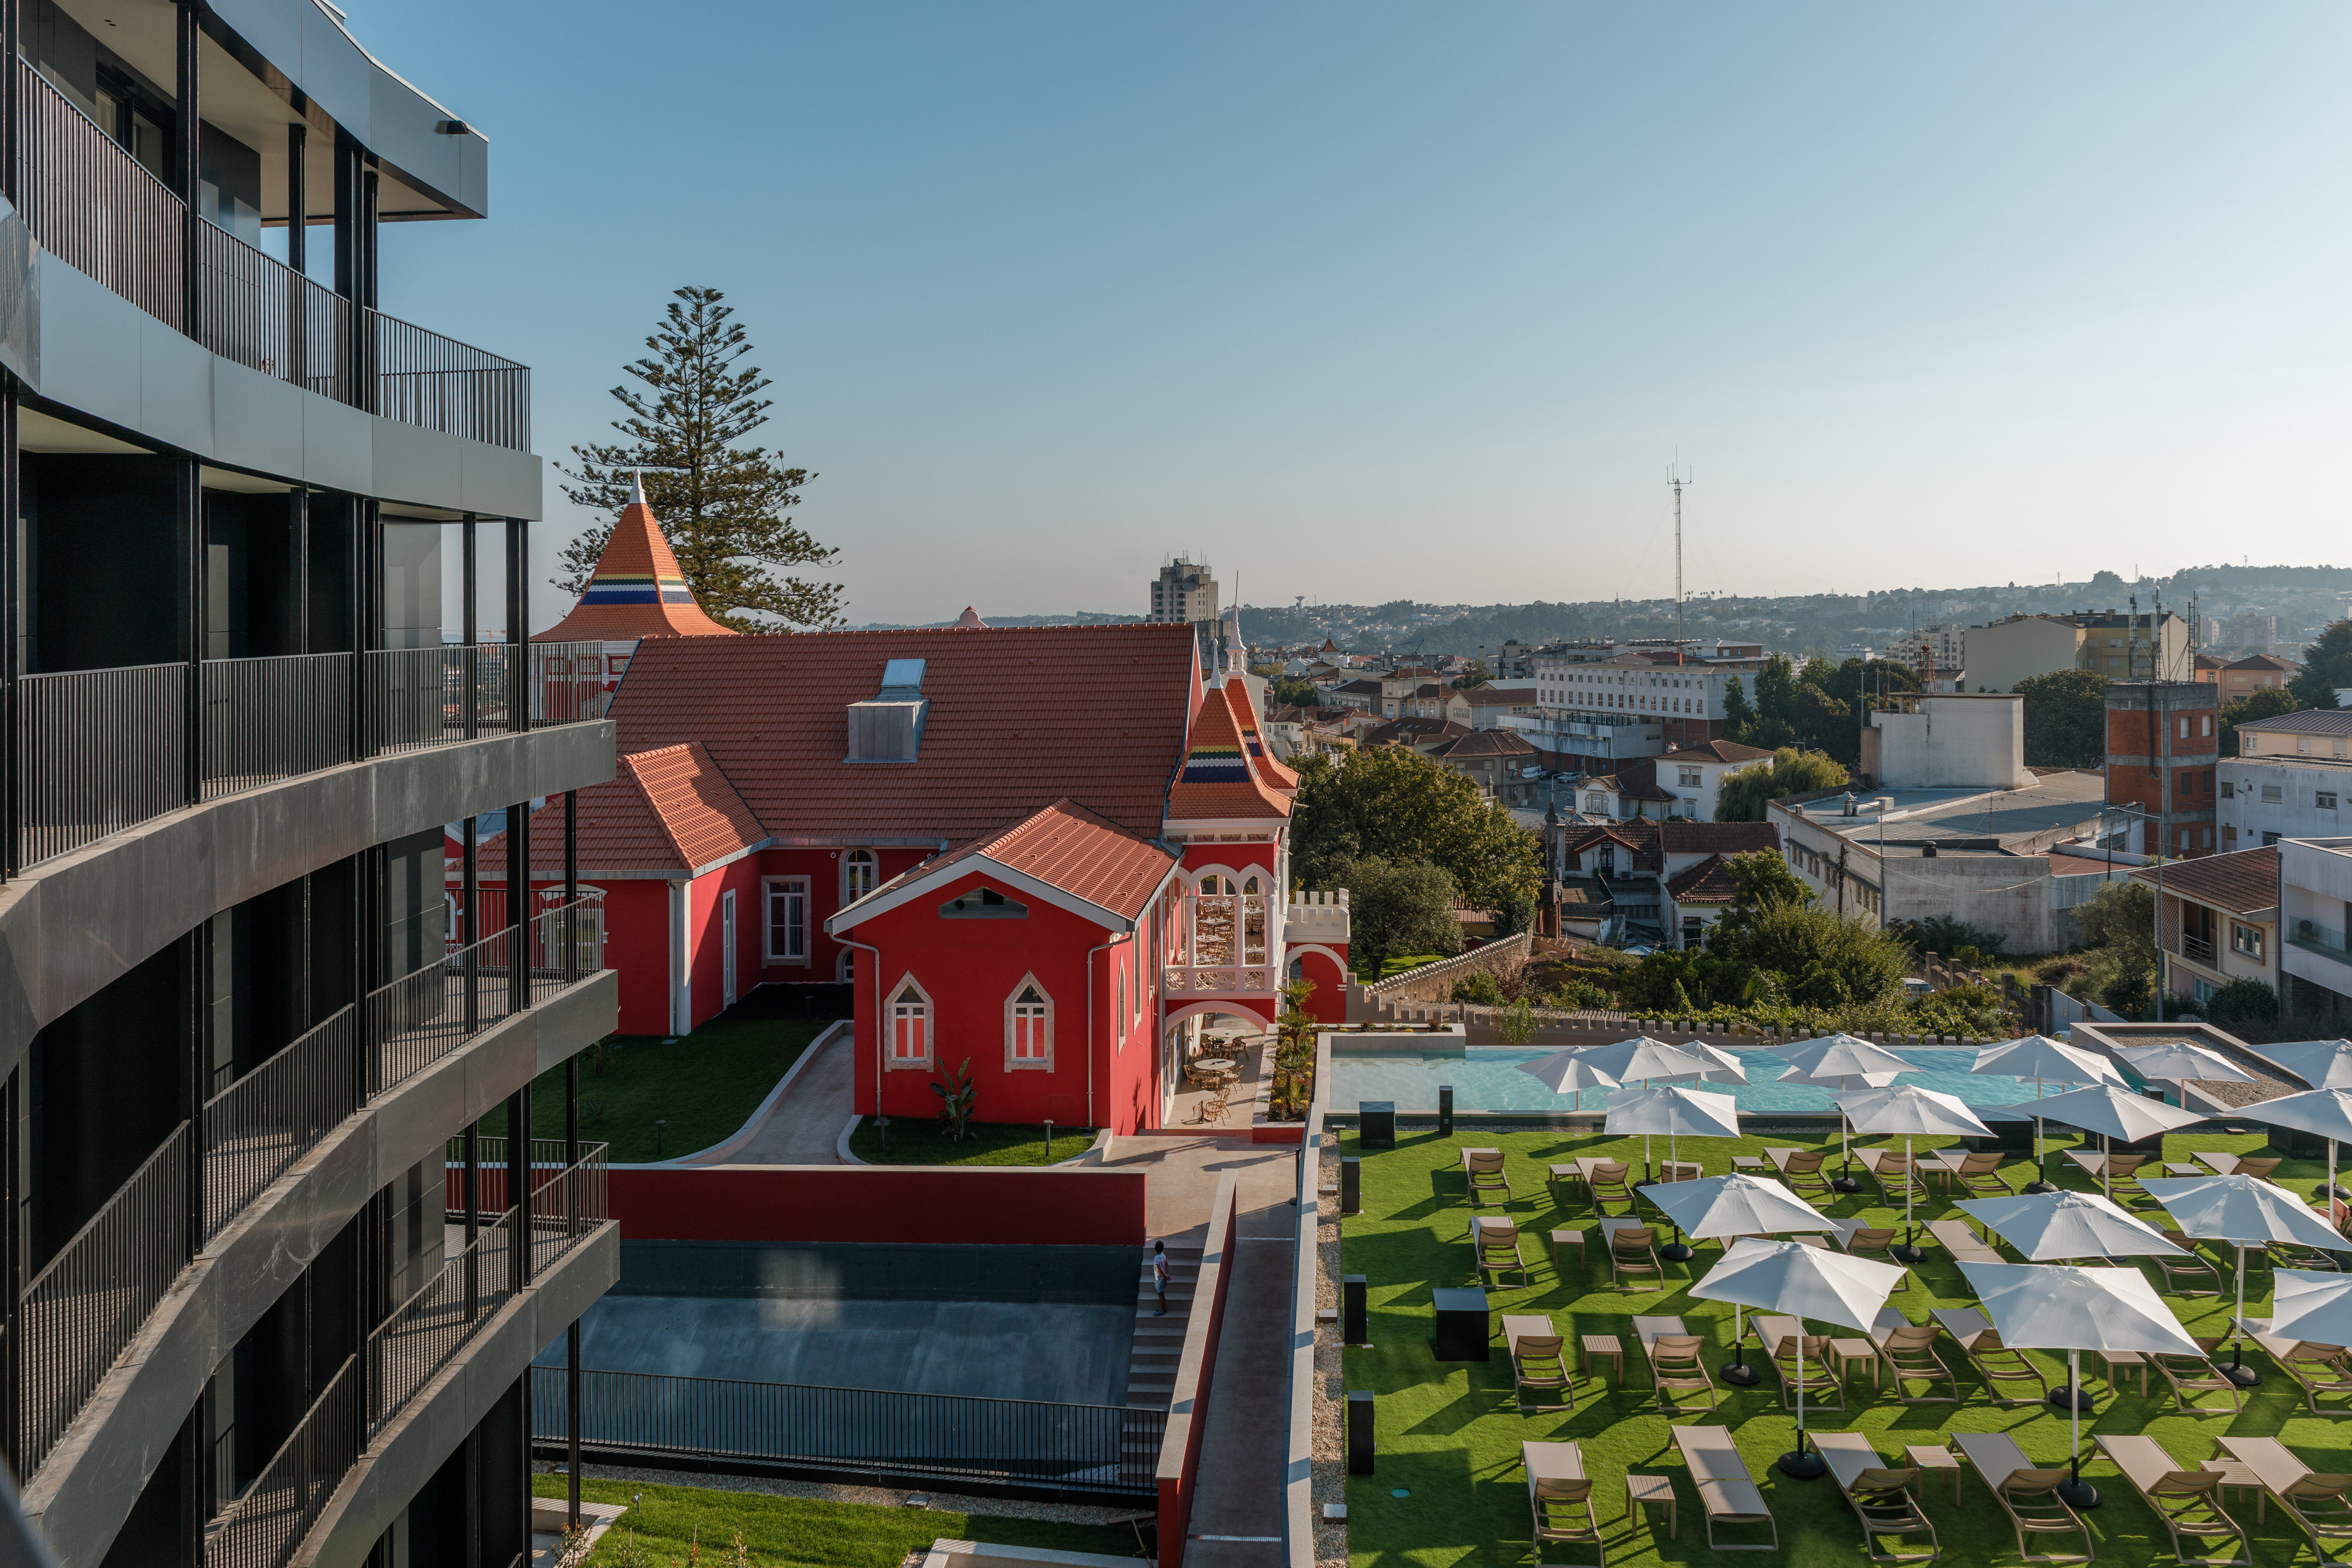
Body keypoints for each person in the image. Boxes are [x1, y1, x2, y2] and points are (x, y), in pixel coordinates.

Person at [1152, 1240, 1169, 1316]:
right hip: (1163, 1278)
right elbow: (1167, 1265)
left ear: (1155, 1249)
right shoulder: (1163, 1255)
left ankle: (1162, 1310)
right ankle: (1164, 1307)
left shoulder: (1156, 1258)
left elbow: (1159, 1270)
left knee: (1161, 1295)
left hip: (1159, 1279)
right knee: (1161, 1294)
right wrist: (1166, 1274)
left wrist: (1164, 1276)